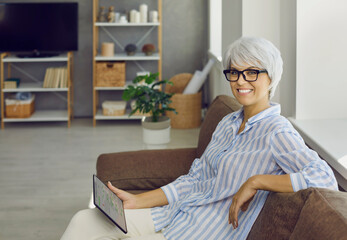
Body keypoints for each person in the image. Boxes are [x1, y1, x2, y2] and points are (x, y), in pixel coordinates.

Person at [61, 37, 338, 240]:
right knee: (85, 220)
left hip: (202, 232)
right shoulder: (229, 122)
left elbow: (324, 178)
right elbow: (195, 179)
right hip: (176, 214)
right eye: (234, 72)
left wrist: (257, 181)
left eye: (252, 72)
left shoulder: (277, 131)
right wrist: (137, 201)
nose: (241, 82)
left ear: (271, 78)